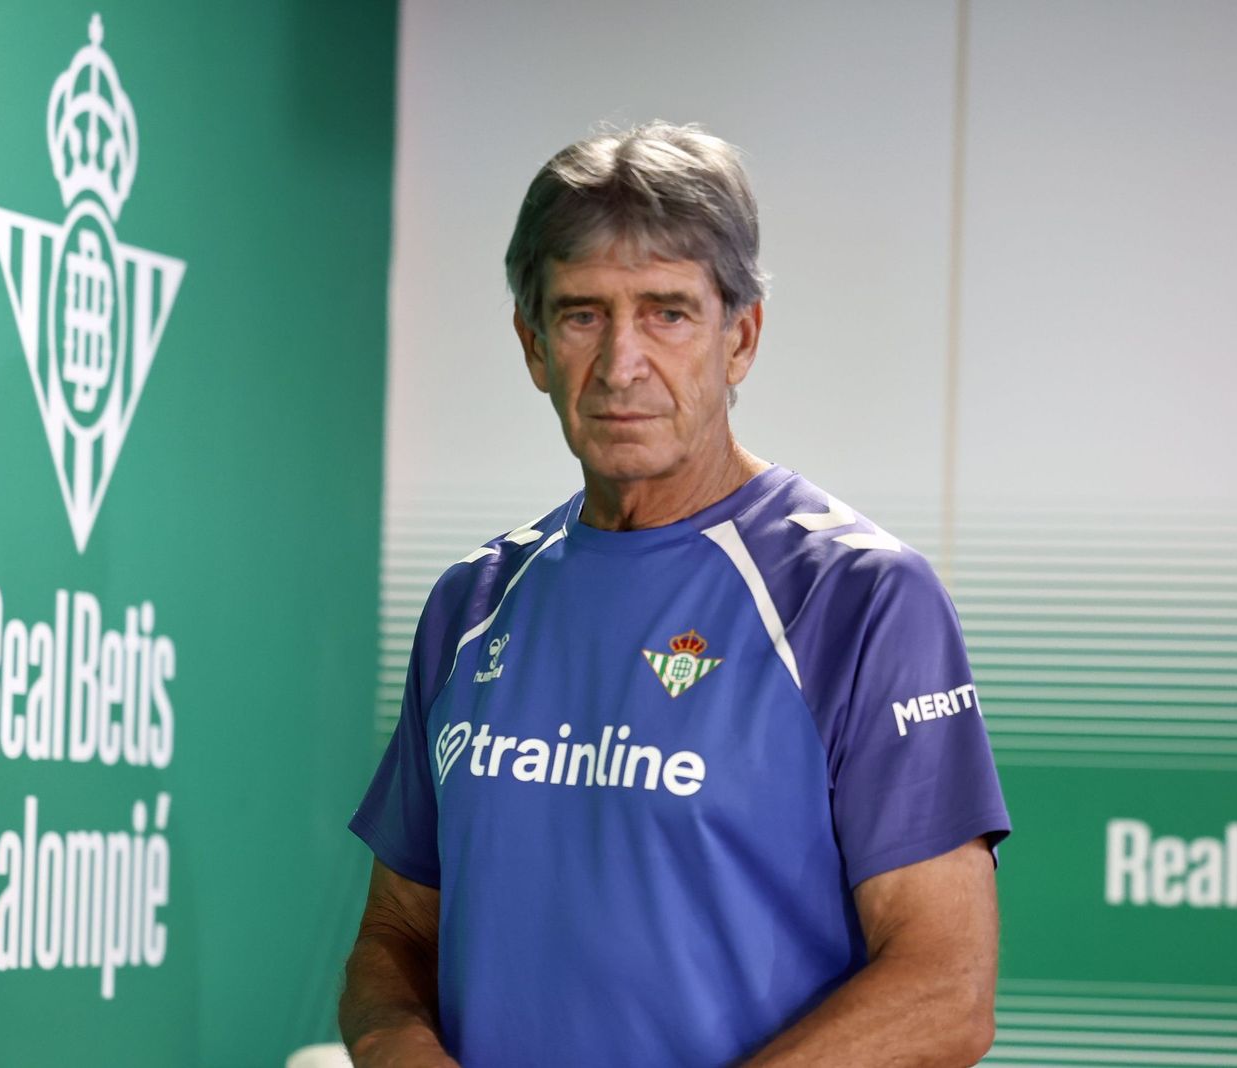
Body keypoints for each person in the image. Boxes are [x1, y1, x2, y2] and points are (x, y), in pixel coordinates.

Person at [339, 121, 1010, 1067]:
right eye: (582, 315)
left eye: (668, 313)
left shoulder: (858, 599)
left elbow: (945, 990)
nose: (621, 365)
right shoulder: (471, 604)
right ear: (533, 347)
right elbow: (394, 940)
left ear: (741, 338)